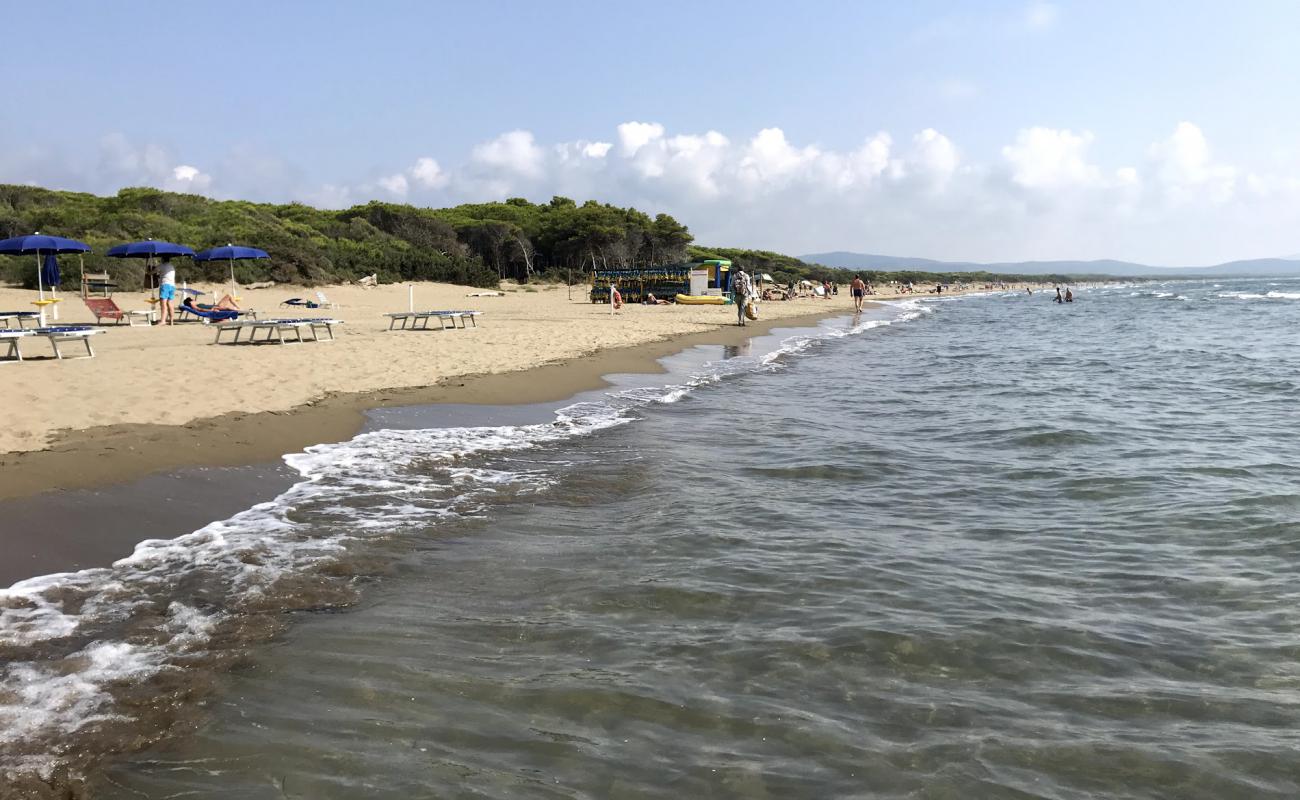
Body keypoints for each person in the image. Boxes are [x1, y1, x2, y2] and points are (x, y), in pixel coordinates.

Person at [155, 256, 177, 326]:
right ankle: (171, 321)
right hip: (172, 286)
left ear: (163, 259)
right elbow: (165, 274)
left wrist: (148, 271)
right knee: (170, 304)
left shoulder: (162, 265)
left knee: (163, 304)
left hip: (165, 285)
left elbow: (152, 272)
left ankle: (163, 321)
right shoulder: (171, 266)